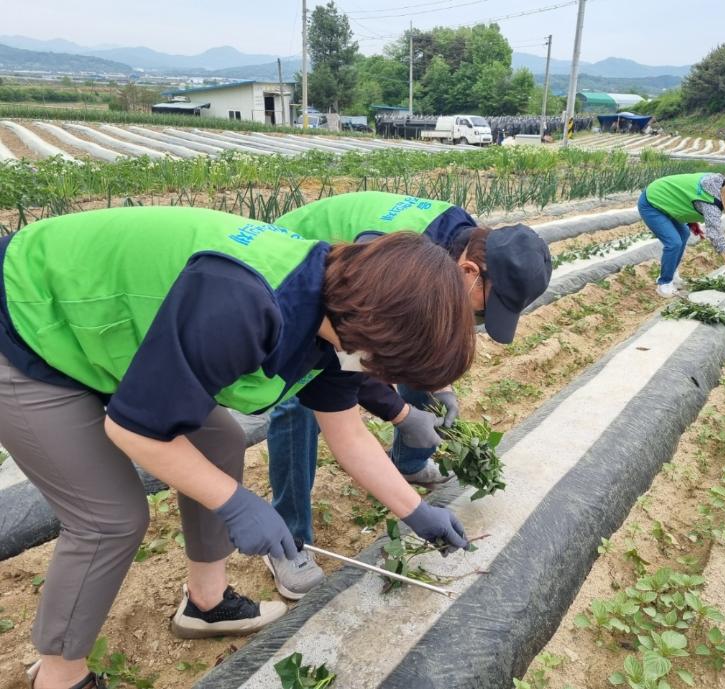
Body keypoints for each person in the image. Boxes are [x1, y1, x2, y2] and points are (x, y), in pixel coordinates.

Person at [0, 207, 476, 689]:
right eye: (389, 368)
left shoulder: (343, 315)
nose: (383, 379)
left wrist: (416, 512)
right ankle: (60, 675)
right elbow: (135, 430)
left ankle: (205, 603)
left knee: (221, 440)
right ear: (374, 334)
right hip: (29, 320)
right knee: (109, 519)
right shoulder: (243, 306)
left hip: (110, 333)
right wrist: (234, 502)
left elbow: (349, 435)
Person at [262, 192, 552, 599]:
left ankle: (411, 462)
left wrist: (439, 389)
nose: (479, 320)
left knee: (426, 334)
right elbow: (350, 358)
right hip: (290, 271)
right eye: (485, 310)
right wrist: (401, 414)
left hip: (363, 291)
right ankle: (288, 538)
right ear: (469, 271)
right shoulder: (389, 262)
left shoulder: (463, 238)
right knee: (299, 400)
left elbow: (416, 341)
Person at [638, 173, 725, 298]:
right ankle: (664, 284)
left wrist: (690, 220)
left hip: (666, 200)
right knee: (674, 243)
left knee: (684, 234)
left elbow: (686, 195)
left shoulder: (717, 181)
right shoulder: (711, 204)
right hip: (652, 203)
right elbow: (715, 234)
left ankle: (672, 275)